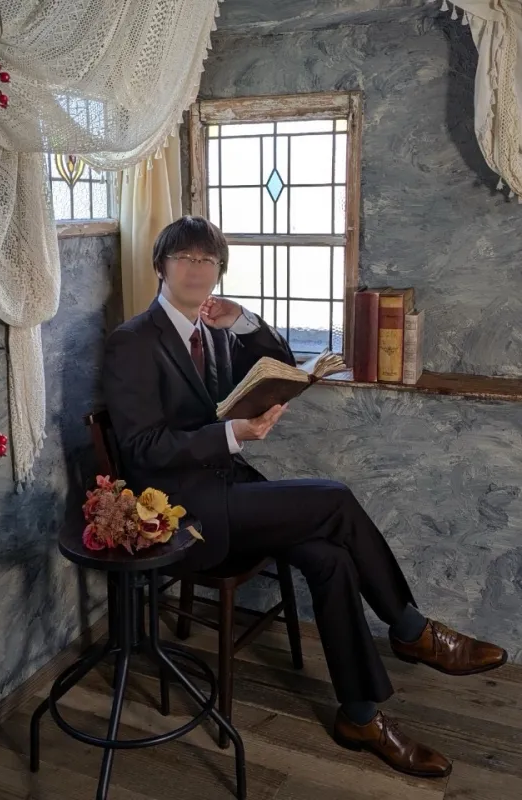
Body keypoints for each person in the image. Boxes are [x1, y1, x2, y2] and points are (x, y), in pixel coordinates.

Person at [103, 215, 507, 778]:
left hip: (231, 492)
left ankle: (360, 717)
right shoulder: (132, 342)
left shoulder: (212, 330)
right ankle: (412, 631)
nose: (197, 270)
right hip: (183, 516)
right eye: (185, 258)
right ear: (160, 266)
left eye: (209, 260)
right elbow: (141, 447)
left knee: (331, 557)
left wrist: (242, 320)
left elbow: (280, 363)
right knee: (334, 499)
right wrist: (230, 435)